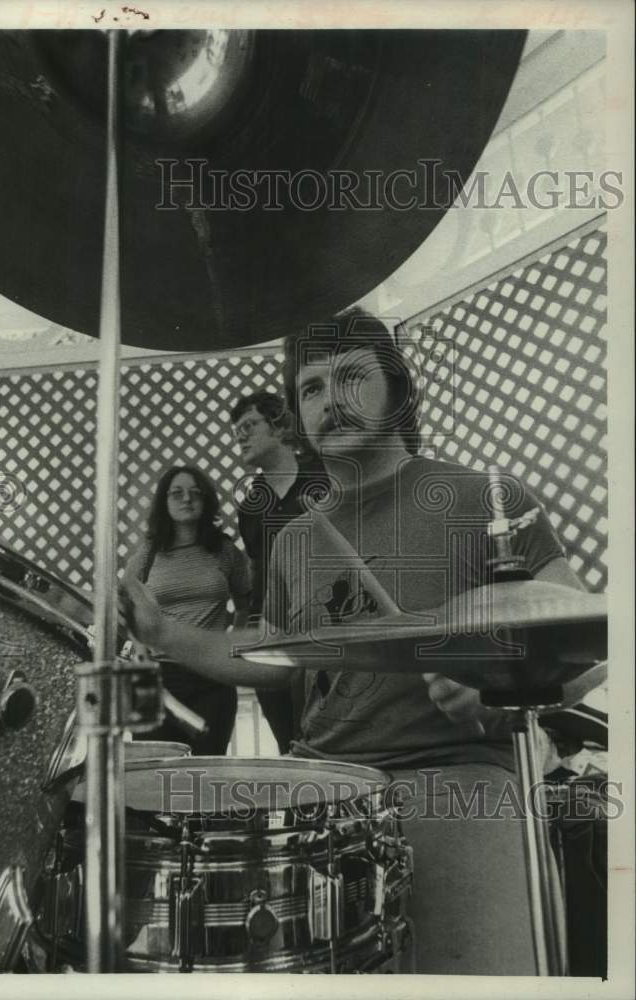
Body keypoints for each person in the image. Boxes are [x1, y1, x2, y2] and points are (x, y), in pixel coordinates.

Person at [122, 308, 605, 974]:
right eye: (312, 388)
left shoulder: (484, 498)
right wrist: (161, 632)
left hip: (455, 779)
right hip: (324, 787)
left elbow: (584, 634)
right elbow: (273, 654)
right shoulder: (295, 538)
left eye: (352, 378)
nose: (331, 402)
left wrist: (502, 684)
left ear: (399, 391)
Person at [122, 464, 251, 755]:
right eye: (176, 493)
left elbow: (246, 602)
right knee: (156, 772)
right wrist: (141, 654)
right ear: (164, 502)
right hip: (158, 679)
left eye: (196, 493)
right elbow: (125, 603)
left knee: (206, 773)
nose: (187, 499)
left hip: (213, 677)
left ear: (207, 502)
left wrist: (231, 648)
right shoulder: (149, 552)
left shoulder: (224, 550)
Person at [230, 390, 328, 753]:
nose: (240, 436)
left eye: (249, 425)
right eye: (235, 429)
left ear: (280, 427)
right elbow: (258, 569)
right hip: (271, 639)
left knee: (325, 744)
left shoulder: (326, 478)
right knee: (289, 745)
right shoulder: (251, 505)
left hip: (325, 632)